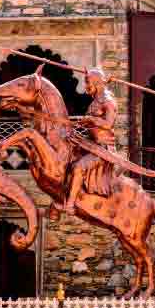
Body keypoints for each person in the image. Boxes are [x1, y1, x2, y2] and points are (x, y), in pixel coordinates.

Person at [66, 68, 118, 214]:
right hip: (91, 143)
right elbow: (91, 123)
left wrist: (91, 119)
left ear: (96, 82)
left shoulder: (108, 101)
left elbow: (108, 124)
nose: (86, 86)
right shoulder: (96, 100)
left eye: (88, 82)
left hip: (103, 149)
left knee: (78, 167)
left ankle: (70, 204)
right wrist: (81, 123)